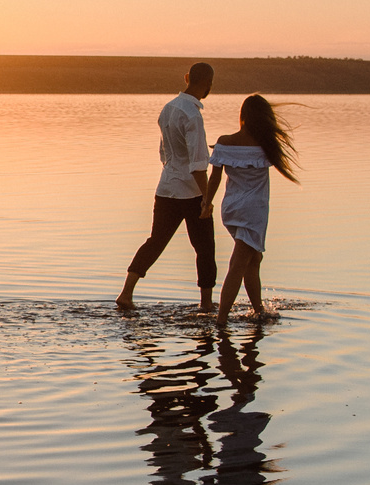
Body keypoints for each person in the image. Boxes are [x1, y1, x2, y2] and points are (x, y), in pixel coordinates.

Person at [114, 62, 217, 314]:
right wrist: (207, 199)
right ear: (208, 84)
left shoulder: (168, 109)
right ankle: (206, 304)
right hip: (191, 192)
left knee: (155, 241)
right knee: (205, 248)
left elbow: (164, 153)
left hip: (166, 187)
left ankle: (126, 293)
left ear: (187, 78)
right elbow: (198, 164)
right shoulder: (193, 116)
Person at [211, 94, 301, 322]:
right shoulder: (265, 146)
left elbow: (215, 178)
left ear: (242, 116)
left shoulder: (224, 142)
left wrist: (206, 203)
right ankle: (221, 319)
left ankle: (258, 310)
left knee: (253, 260)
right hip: (253, 212)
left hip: (231, 208)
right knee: (238, 264)